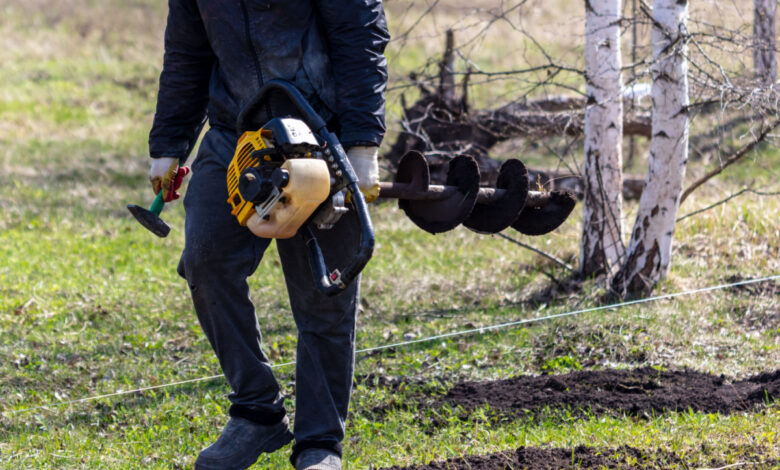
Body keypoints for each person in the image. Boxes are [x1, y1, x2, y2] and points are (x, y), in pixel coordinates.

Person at [146, 1, 389, 469]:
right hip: (235, 132)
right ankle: (256, 411)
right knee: (206, 260)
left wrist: (361, 144)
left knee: (325, 291)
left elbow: (361, 34)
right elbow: (187, 50)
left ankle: (319, 444)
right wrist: (170, 142)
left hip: (322, 132)